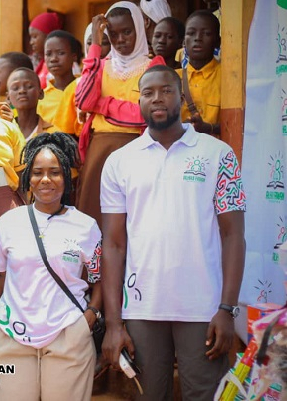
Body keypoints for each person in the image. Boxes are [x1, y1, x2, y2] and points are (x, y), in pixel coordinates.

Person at [100, 65, 246, 400]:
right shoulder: (120, 162)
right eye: (147, 93)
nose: (157, 98)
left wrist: (227, 309)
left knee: (206, 395)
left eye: (165, 90)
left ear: (181, 96)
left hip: (204, 309)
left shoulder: (217, 153)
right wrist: (113, 323)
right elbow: (114, 244)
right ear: (139, 102)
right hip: (141, 309)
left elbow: (233, 236)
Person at [0, 132, 101, 400]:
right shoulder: (8, 222)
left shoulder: (86, 226)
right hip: (11, 334)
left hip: (68, 334)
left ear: (67, 177)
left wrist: (91, 315)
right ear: (28, 177)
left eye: (55, 172)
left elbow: (100, 278)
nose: (46, 179)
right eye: (37, 172)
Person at [74, 1, 164, 226]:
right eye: (113, 34)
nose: (120, 39)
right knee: (94, 221)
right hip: (100, 152)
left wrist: (101, 105)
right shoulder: (101, 65)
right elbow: (84, 101)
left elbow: (146, 114)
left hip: (139, 148)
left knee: (134, 221)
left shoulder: (153, 66)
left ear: (139, 30)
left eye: (127, 31)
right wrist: (95, 45)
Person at [181, 10, 222, 136]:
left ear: (217, 41)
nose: (197, 38)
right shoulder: (173, 78)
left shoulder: (228, 77)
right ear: (184, 41)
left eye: (206, 33)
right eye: (191, 33)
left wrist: (209, 128)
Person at [37, 30, 80, 126]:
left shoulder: (83, 87)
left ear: (74, 56)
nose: (53, 59)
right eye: (48, 54)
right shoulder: (42, 98)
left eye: (61, 53)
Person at [7, 67, 54, 139]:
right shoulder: (2, 132)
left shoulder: (52, 134)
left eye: (29, 86)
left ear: (41, 93)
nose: (22, 91)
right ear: (8, 98)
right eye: (15, 88)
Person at [29, 12, 63, 89]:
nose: (31, 42)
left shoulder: (61, 65)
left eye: (35, 37)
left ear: (48, 35)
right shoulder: (42, 63)